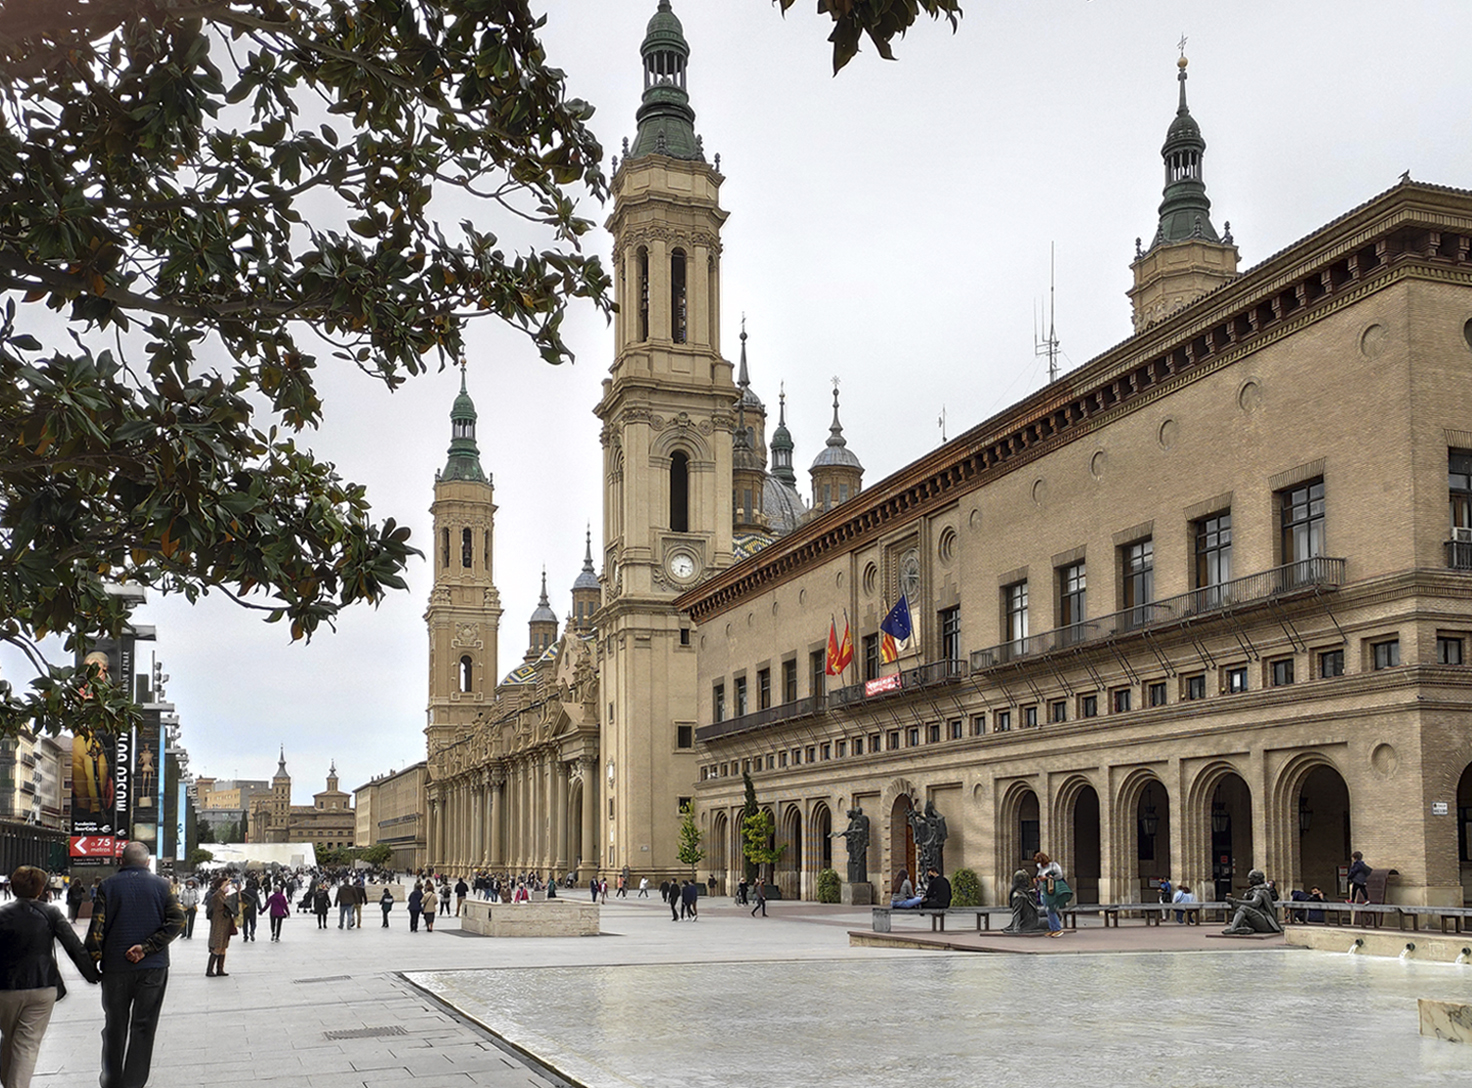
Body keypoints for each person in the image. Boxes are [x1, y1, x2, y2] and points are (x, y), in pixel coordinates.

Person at [84, 841, 185, 1087]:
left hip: (116, 967)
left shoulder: (107, 886)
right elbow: (178, 920)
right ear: (147, 862)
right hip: (153, 967)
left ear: (121, 861)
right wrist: (148, 947)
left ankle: (111, 1079)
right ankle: (134, 1082)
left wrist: (94, 963)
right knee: (144, 1026)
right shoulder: (163, 885)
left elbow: (96, 929)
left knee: (114, 1026)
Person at [1, 865, 101, 1088]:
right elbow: (73, 946)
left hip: (5, 988)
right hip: (43, 985)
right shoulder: (51, 913)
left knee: (10, 1038)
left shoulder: (2, 915)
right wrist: (91, 974)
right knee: (26, 1042)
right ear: (40, 889)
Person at [203, 874, 236, 977]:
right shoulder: (216, 896)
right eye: (225, 885)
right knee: (217, 946)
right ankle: (209, 970)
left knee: (223, 947)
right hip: (218, 925)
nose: (227, 887)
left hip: (225, 924)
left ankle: (220, 969)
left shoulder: (224, 897)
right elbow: (219, 892)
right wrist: (227, 881)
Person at [1033, 851, 1066, 937]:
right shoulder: (1040, 867)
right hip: (1043, 891)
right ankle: (1052, 929)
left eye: (1040, 862)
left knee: (1051, 910)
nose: (1040, 864)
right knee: (1048, 911)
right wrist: (1037, 880)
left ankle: (1057, 929)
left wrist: (1047, 878)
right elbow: (1039, 876)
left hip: (1051, 891)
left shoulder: (1053, 866)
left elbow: (1059, 876)